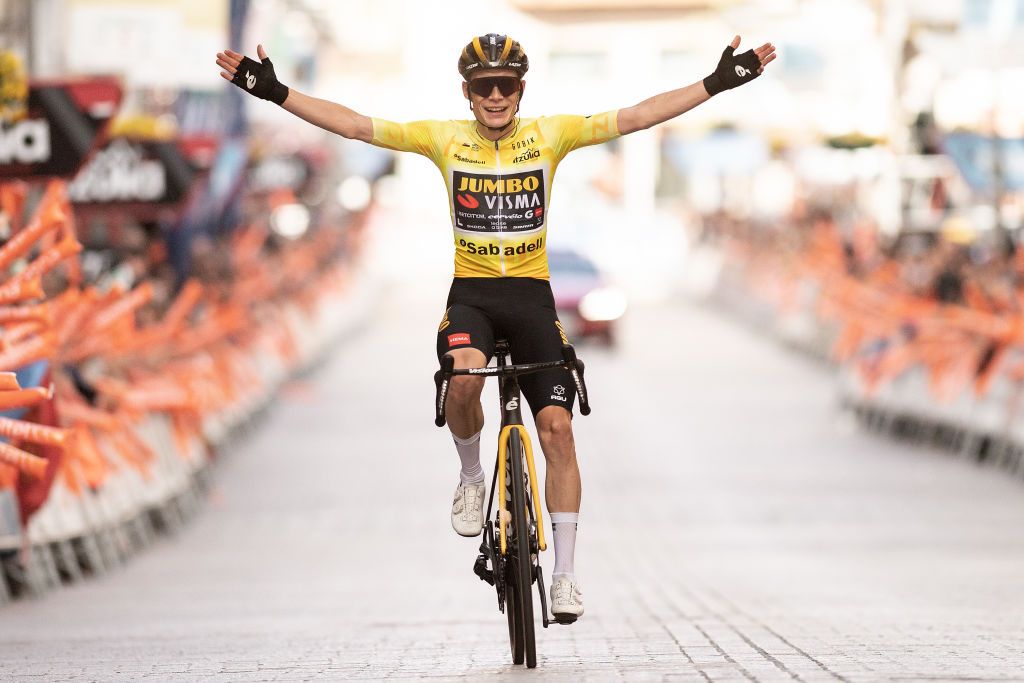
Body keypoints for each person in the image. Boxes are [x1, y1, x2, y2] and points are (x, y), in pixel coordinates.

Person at [216, 33, 776, 622]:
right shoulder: (443, 139)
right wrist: (276, 92)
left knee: (558, 430)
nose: (496, 96)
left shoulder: (552, 135)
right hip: (473, 298)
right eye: (484, 86)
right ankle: (471, 474)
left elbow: (637, 117)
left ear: (521, 89)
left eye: (506, 85)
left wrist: (716, 84)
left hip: (533, 298)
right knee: (463, 381)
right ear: (467, 92)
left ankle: (563, 576)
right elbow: (356, 125)